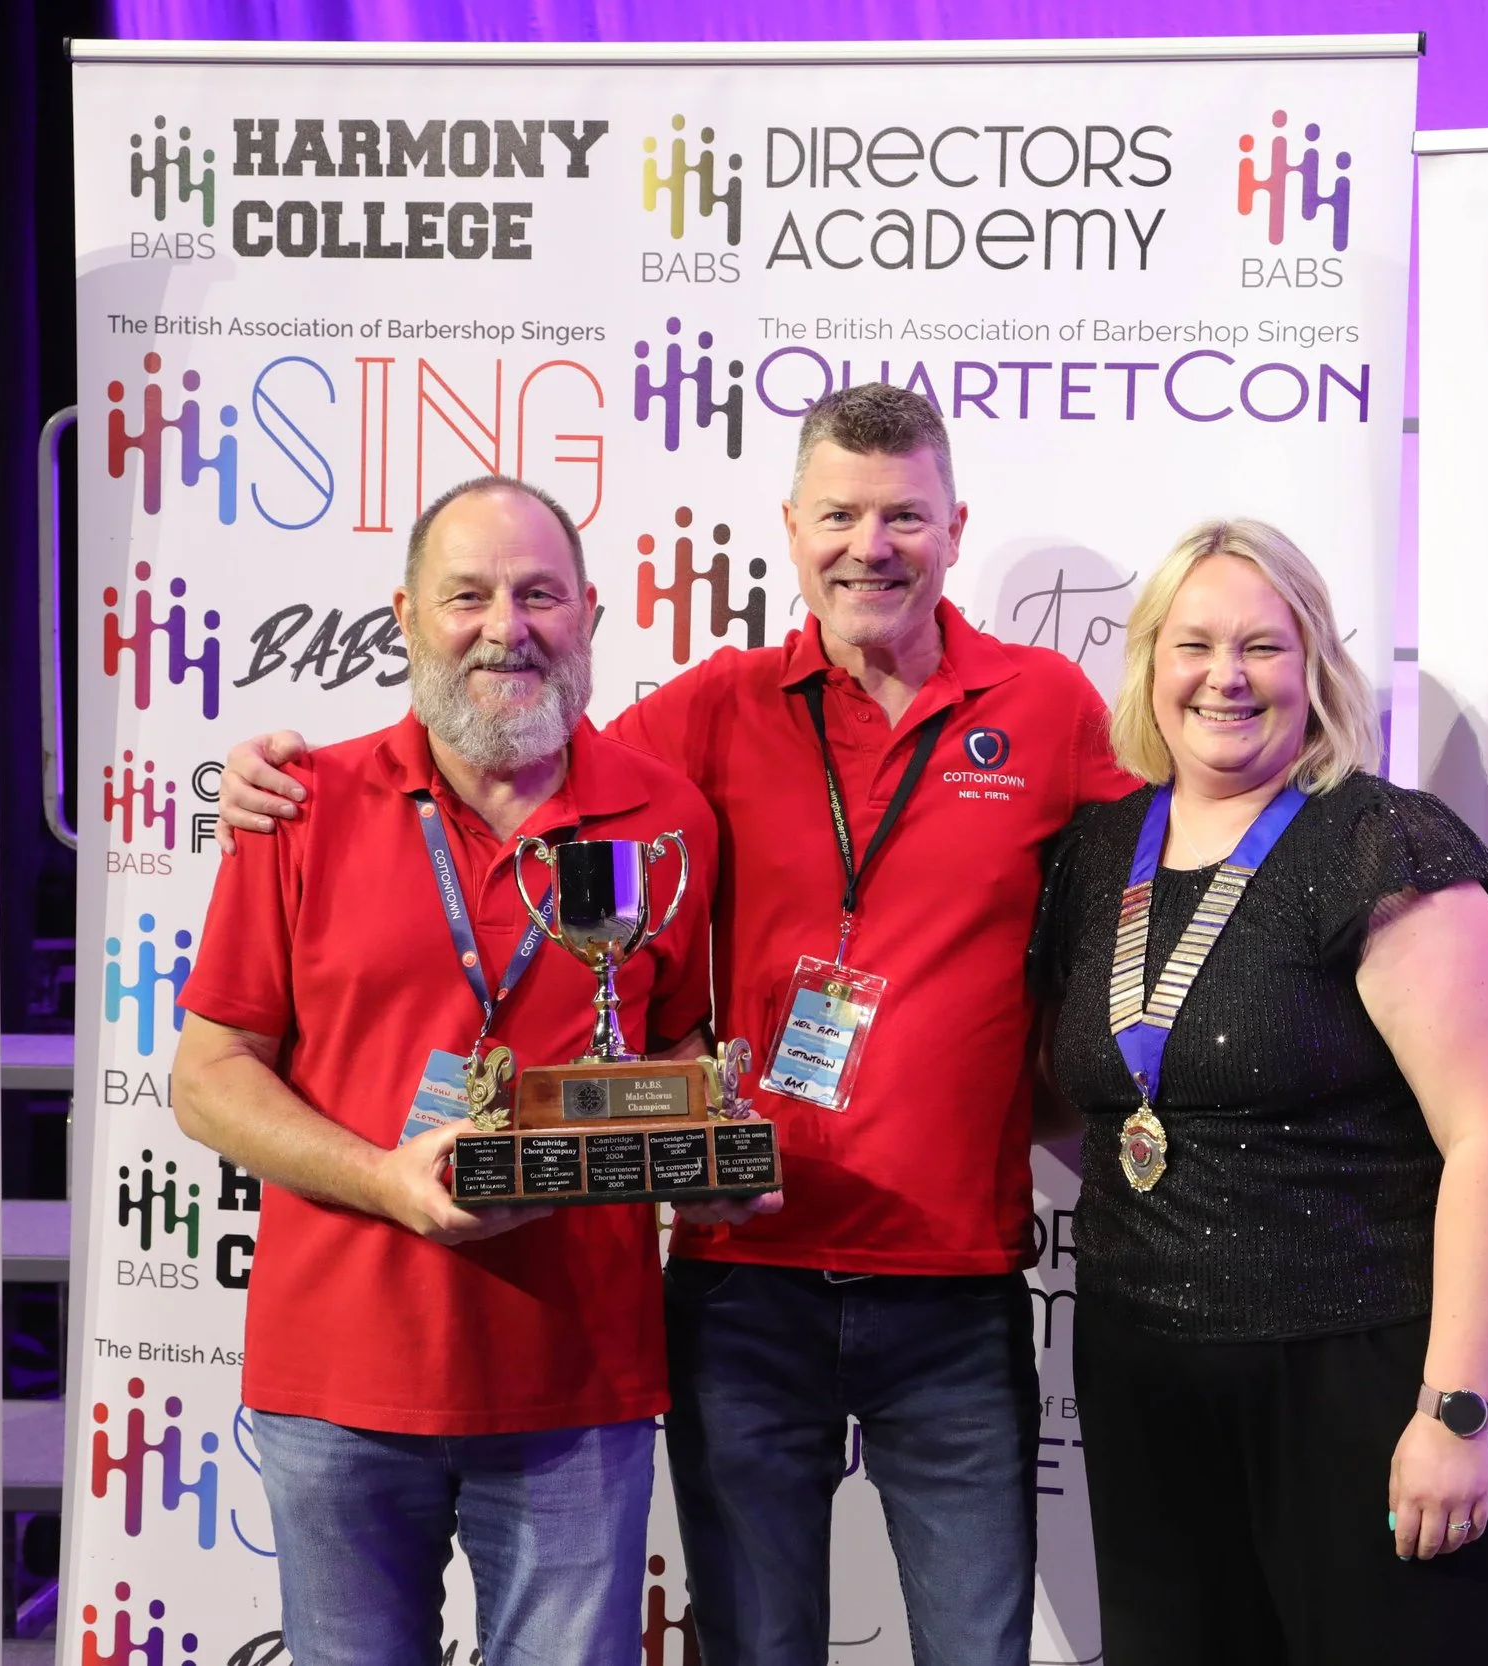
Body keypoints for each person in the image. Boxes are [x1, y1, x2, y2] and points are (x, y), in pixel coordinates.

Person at [213, 383, 1141, 1666]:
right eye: (839, 514)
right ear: (791, 528)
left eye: (903, 516)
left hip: (956, 1286)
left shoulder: (1045, 709)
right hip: (742, 1285)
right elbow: (511, 742)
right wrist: (261, 779)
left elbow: (1192, 839)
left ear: (954, 524)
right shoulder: (711, 711)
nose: (869, 544)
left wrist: (1399, 862)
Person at [170, 476, 720, 1666]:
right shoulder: (301, 802)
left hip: (578, 1379)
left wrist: (700, 1139)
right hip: (339, 1376)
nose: (503, 625)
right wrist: (383, 1178)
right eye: (465, 595)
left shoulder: (669, 816)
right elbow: (208, 1073)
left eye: (538, 594)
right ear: (407, 616)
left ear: (590, 614)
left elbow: (678, 1045)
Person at [1028, 519, 1488, 1665]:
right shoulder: (1097, 852)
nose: (1225, 677)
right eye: (1193, 642)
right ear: (1149, 662)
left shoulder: (1379, 842)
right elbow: (1090, 1100)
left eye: (1263, 647)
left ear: (1314, 667)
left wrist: (1453, 1409)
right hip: (1145, 1377)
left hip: (1360, 1378)